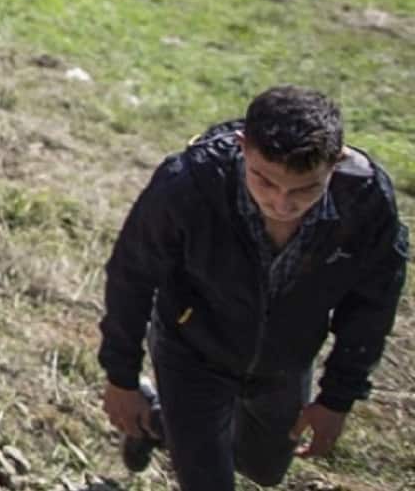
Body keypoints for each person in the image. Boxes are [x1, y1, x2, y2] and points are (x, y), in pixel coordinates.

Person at [99, 87, 405, 491]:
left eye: (303, 190)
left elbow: (373, 306)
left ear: (337, 161)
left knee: (263, 470)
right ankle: (178, 422)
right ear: (243, 147)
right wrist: (120, 377)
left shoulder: (366, 204)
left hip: (285, 359)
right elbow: (131, 274)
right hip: (193, 349)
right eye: (264, 180)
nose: (281, 204)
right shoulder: (189, 183)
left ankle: (157, 422)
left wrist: (336, 398)